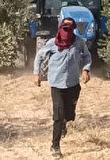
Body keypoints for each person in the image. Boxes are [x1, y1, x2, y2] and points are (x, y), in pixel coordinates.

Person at [33, 17, 92, 158]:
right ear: (60, 28)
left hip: (73, 84)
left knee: (70, 115)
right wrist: (36, 74)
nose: (67, 32)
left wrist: (86, 70)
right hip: (56, 85)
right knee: (58, 116)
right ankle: (55, 146)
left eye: (69, 29)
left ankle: (66, 122)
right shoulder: (52, 43)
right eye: (64, 28)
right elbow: (39, 57)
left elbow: (87, 56)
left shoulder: (78, 42)